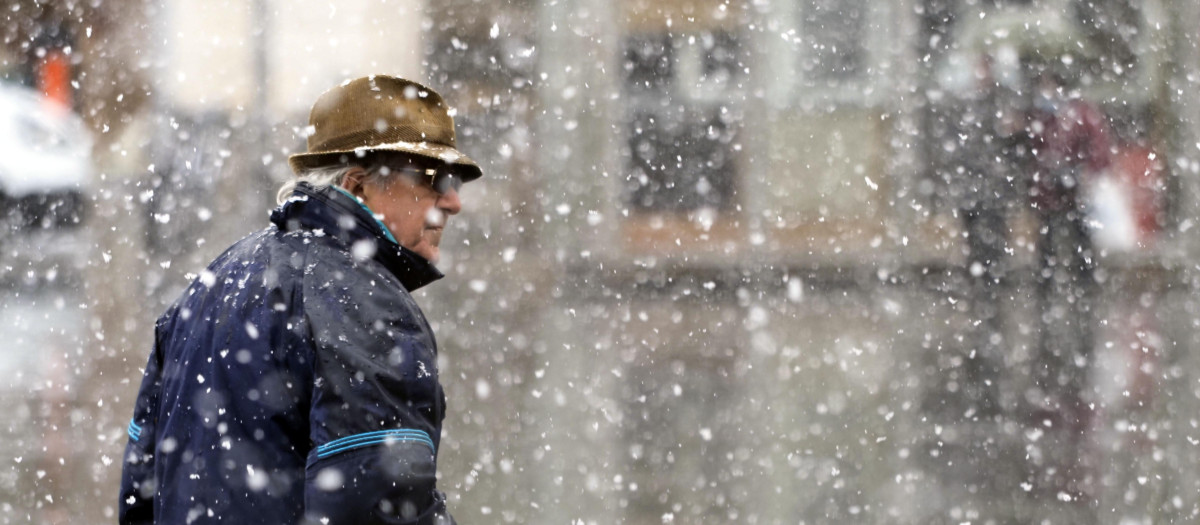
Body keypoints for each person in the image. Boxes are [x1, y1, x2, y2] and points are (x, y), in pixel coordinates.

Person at [118, 75, 482, 524]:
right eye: (435, 178)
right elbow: (377, 507)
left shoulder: (215, 280)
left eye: (456, 182)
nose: (452, 202)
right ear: (358, 185)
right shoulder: (366, 302)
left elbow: (141, 488)